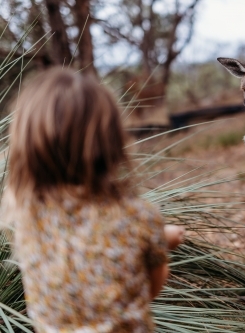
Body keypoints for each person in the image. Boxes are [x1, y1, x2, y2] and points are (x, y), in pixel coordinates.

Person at [1, 68, 184, 332]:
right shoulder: (139, 217)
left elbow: (79, 241)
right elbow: (150, 289)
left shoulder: (27, 220)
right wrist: (159, 240)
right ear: (111, 142)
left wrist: (156, 237)